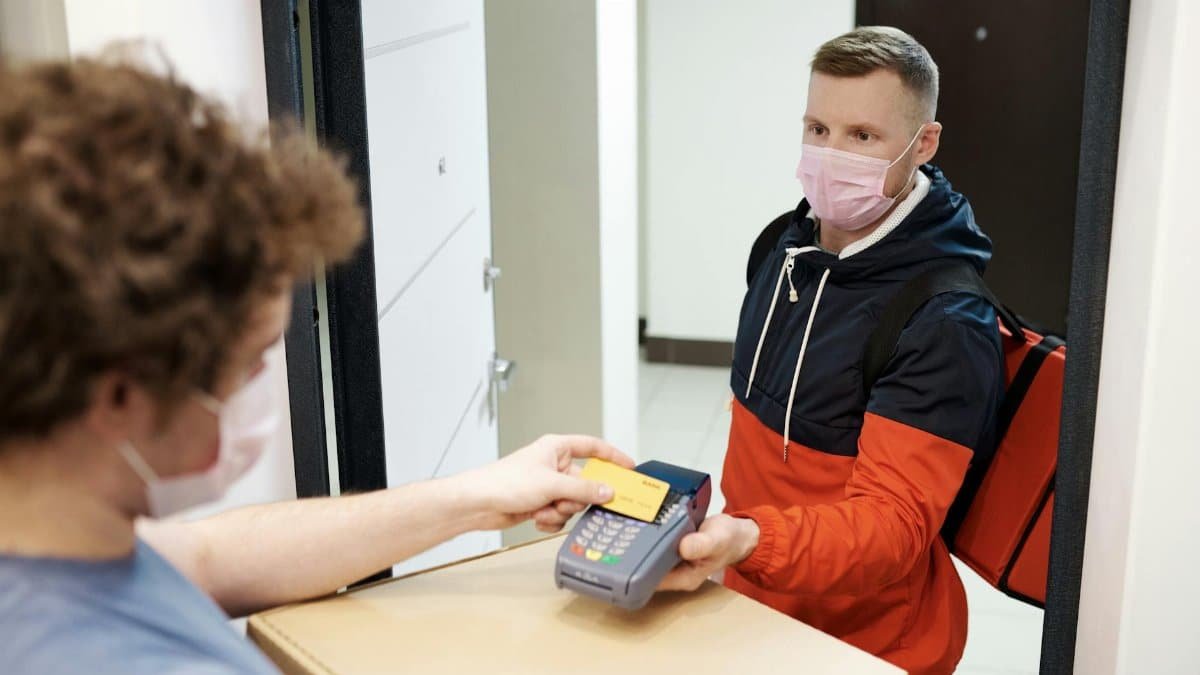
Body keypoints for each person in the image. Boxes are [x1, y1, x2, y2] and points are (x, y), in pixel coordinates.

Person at [0, 57, 631, 674]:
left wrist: (476, 496)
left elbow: (212, 557)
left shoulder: (66, 540)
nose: (259, 394)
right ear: (118, 398)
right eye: (247, 366)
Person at [658, 27, 1005, 674]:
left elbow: (892, 527)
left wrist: (751, 539)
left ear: (922, 144)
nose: (830, 154)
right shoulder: (782, 249)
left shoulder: (944, 319)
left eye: (862, 136)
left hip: (867, 643)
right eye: (817, 128)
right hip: (751, 604)